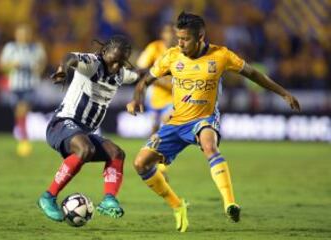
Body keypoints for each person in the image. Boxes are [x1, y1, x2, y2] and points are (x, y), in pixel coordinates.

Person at [127, 12, 300, 233]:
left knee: (209, 146)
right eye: (178, 38)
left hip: (204, 118)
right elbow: (145, 81)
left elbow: (253, 74)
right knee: (140, 163)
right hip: (177, 120)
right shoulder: (171, 56)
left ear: (200, 37)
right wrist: (136, 99)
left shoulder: (221, 55)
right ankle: (178, 205)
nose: (180, 43)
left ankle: (230, 203)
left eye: (185, 39)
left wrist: (284, 93)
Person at [37, 35, 139, 222]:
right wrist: (62, 69)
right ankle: (48, 197)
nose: (116, 66)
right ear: (104, 52)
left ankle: (109, 199)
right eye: (114, 60)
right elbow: (70, 57)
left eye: (121, 62)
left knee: (116, 153)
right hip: (61, 124)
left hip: (83, 132)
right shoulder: (92, 63)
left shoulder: (121, 74)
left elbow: (142, 75)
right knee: (85, 149)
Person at [0, 24, 47, 157]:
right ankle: (23, 138)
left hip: (30, 85)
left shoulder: (36, 48)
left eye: (26, 33)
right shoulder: (10, 48)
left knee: (22, 109)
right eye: (21, 33)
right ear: (16, 35)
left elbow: (43, 63)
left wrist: (38, 69)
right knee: (18, 112)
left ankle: (24, 141)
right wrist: (11, 65)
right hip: (15, 85)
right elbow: (2, 65)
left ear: (30, 35)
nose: (24, 36)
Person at [136, 22, 175, 179]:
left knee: (166, 125)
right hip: (155, 97)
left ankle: (162, 167)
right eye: (168, 32)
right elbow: (140, 68)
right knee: (154, 132)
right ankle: (152, 161)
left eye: (174, 32)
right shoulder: (154, 48)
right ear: (163, 34)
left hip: (173, 98)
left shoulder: (181, 51)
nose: (172, 35)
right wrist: (158, 81)